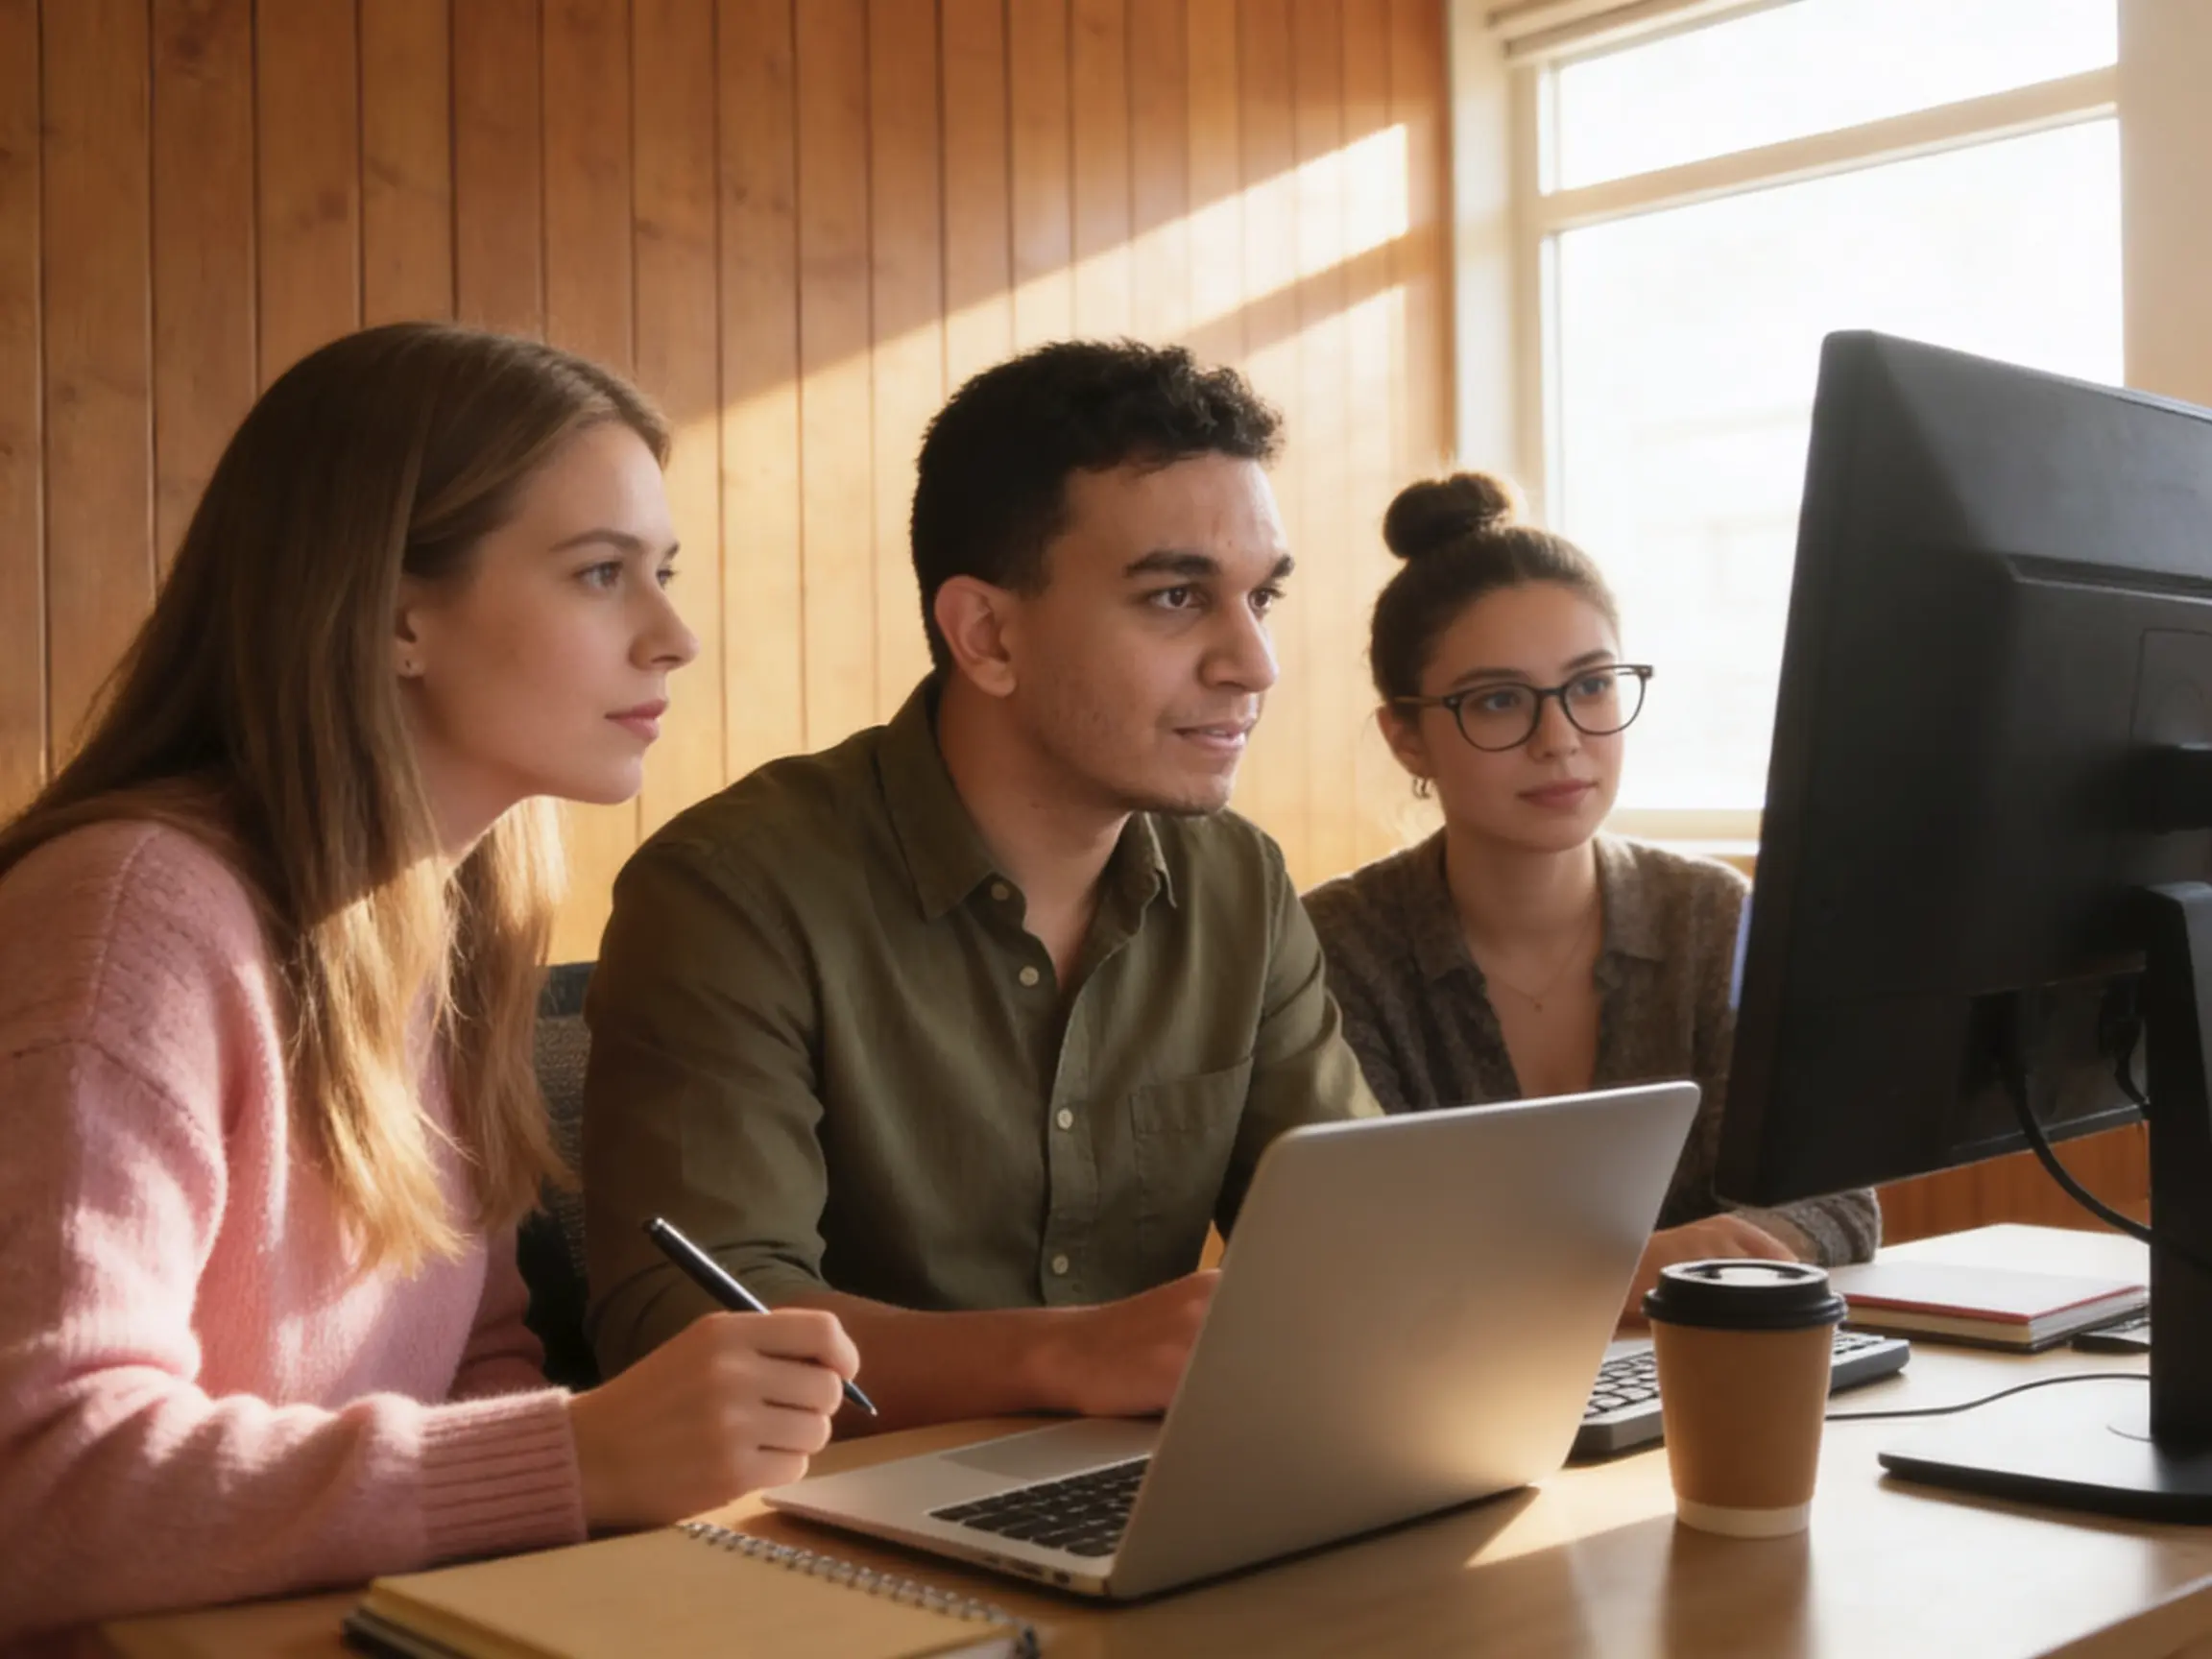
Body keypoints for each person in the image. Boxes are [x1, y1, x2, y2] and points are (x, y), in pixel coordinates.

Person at [0, 323, 858, 1642]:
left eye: (663, 572)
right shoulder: (131, 916)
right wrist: (578, 1458)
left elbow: (478, 1363)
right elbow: (42, 1485)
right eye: (599, 574)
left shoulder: (451, 916)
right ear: (398, 616)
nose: (673, 634)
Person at [582, 340, 1376, 1431]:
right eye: (1180, 597)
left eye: (1261, 599)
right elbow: (693, 1319)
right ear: (987, 635)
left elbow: (1353, 1231)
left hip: (1150, 1493)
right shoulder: (733, 890)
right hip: (832, 1533)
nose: (1254, 661)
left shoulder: (1240, 883)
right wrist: (1064, 1357)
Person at [1304, 472, 1878, 1319]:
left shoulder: (1712, 917)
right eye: (1499, 702)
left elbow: (1835, 1205)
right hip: (1444, 1406)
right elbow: (1359, 1254)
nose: (1562, 741)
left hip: (1698, 1385)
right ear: (1407, 739)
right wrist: (1640, 1266)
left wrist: (1598, 1276)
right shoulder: (1334, 947)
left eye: (1591, 686)